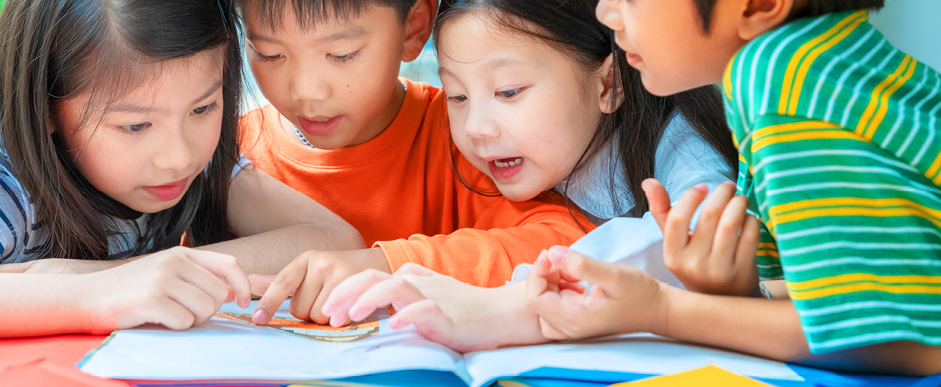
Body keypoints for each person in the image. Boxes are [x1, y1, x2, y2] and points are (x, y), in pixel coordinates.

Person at [520, 0, 941, 375]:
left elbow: (910, 340)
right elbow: (856, 294)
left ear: (759, 5)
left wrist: (660, 310)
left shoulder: (784, 86)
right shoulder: (822, 59)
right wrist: (742, 295)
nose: (605, 12)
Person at [319, 0, 748, 350]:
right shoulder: (493, 155)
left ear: (608, 86)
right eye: (458, 96)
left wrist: (512, 301)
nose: (475, 128)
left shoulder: (678, 139)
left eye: (508, 91)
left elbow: (695, 235)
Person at [0, 0, 362, 339]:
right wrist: (93, 294)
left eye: (203, 108)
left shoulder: (202, 167)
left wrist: (126, 273)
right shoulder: (1, 192)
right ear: (45, 107)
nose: (178, 156)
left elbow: (337, 238)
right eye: (134, 126)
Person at [236, 0, 593, 326]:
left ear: (414, 27)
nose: (306, 90)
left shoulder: (469, 137)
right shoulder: (231, 155)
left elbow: (570, 245)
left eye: (342, 54)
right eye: (269, 54)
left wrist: (389, 265)